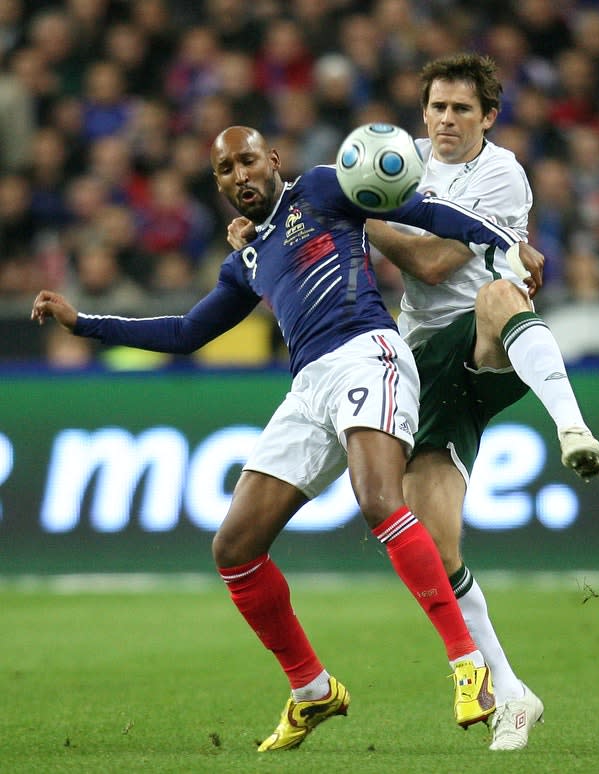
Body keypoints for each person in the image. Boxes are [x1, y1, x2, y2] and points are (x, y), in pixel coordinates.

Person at [32, 125, 532, 753]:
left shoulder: (325, 189)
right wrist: (87, 325)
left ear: (271, 160)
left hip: (365, 353)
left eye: (247, 160)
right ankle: (312, 689)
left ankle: (468, 664)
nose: (239, 175)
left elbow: (422, 209)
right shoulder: (245, 258)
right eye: (223, 170)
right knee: (234, 546)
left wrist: (504, 243)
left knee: (378, 498)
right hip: (308, 389)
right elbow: (187, 332)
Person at [364, 53, 599, 751]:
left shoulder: (500, 173)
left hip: (484, 344)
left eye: (461, 109)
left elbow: (437, 263)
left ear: (488, 117)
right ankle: (513, 693)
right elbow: (331, 193)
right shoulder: (398, 161)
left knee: (503, 294)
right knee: (435, 548)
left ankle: (572, 426)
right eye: (437, 106)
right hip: (423, 366)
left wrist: (363, 219)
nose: (445, 120)